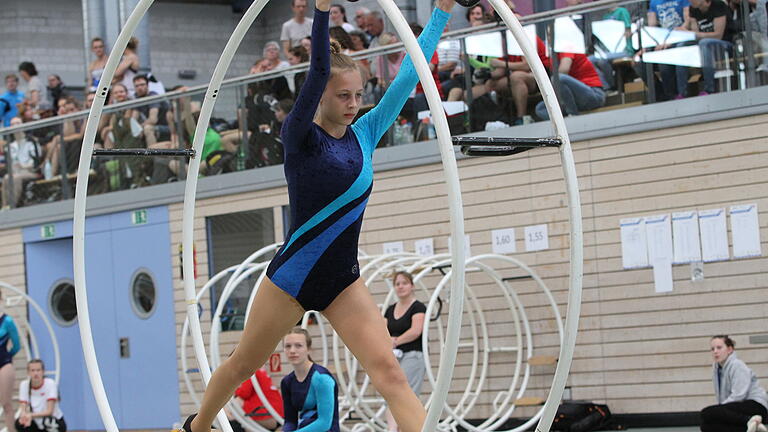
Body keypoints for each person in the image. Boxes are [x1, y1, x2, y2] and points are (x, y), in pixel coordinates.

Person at [179, 0, 454, 431]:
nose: (352, 104)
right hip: (290, 281)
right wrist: (322, 14)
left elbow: (408, 76)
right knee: (239, 367)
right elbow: (316, 73)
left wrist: (441, 12)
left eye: (358, 95)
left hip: (342, 281)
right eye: (343, 95)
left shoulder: (364, 132)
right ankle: (196, 428)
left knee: (391, 375)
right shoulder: (300, 137)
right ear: (321, 94)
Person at [383, 271, 427, 432]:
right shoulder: (390, 309)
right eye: (397, 284)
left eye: (404, 283)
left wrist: (395, 341)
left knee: (406, 396)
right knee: (391, 394)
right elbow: (382, 330)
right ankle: (392, 429)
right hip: (394, 356)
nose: (400, 286)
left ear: (412, 285)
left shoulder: (418, 307)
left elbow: (416, 331)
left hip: (412, 355)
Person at [700, 335, 768, 432]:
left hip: (755, 406)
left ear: (729, 349)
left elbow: (739, 395)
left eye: (719, 348)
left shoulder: (737, 365)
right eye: (712, 349)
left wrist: (720, 410)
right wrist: (721, 411)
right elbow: (722, 396)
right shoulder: (717, 368)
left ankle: (749, 420)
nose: (715, 351)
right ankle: (754, 427)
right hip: (737, 408)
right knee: (706, 426)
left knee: (706, 412)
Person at [281, 328, 339, 431]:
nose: (292, 351)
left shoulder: (322, 379)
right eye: (288, 346)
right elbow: (290, 421)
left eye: (298, 346)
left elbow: (324, 423)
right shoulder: (287, 382)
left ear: (308, 349)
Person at [683, 0, 735, 95]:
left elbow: (718, 35)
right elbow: (696, 36)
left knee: (704, 43)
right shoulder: (693, 9)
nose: (690, 1)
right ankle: (682, 92)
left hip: (725, 45)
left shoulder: (718, 5)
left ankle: (709, 88)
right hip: (705, 47)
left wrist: (695, 34)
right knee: (682, 45)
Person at [535, 52, 605, 118]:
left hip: (594, 93)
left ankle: (572, 115)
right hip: (573, 99)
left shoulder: (565, 46)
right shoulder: (552, 54)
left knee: (558, 78)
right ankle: (564, 124)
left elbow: (564, 70)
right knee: (540, 109)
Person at [1, 117, 41, 209]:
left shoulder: (31, 142)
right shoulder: (10, 146)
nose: (15, 126)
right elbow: (9, 164)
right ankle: (4, 206)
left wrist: (23, 166)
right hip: (15, 172)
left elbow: (36, 162)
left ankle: (13, 205)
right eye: (13, 124)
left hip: (31, 172)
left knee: (16, 178)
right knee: (6, 178)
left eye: (18, 123)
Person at [17, 359, 66, 432]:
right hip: (35, 421)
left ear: (43, 372)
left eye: (38, 370)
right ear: (28, 372)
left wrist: (30, 415)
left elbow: (49, 411)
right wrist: (24, 416)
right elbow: (23, 407)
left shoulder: (50, 383)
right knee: (19, 423)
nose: (35, 373)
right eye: (32, 370)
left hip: (52, 420)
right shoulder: (24, 385)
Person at [234, 366, 283, 430]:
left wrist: (234, 390)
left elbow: (244, 393)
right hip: (277, 415)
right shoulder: (261, 371)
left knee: (236, 401)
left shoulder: (252, 372)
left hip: (267, 416)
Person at [0, 295, 21, 428]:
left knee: (6, 403)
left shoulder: (7, 321)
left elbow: (17, 345)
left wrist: (7, 357)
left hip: (4, 365)